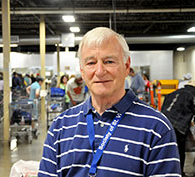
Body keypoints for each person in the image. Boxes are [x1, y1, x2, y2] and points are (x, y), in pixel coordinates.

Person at [39, 27, 181, 177]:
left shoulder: (156, 128)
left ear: (126, 66)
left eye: (109, 61)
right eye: (91, 63)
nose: (99, 71)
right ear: (82, 70)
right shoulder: (60, 126)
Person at [161, 80, 195, 176]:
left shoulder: (172, 93)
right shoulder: (193, 95)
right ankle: (179, 173)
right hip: (178, 127)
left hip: (163, 125)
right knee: (179, 151)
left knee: (165, 151)